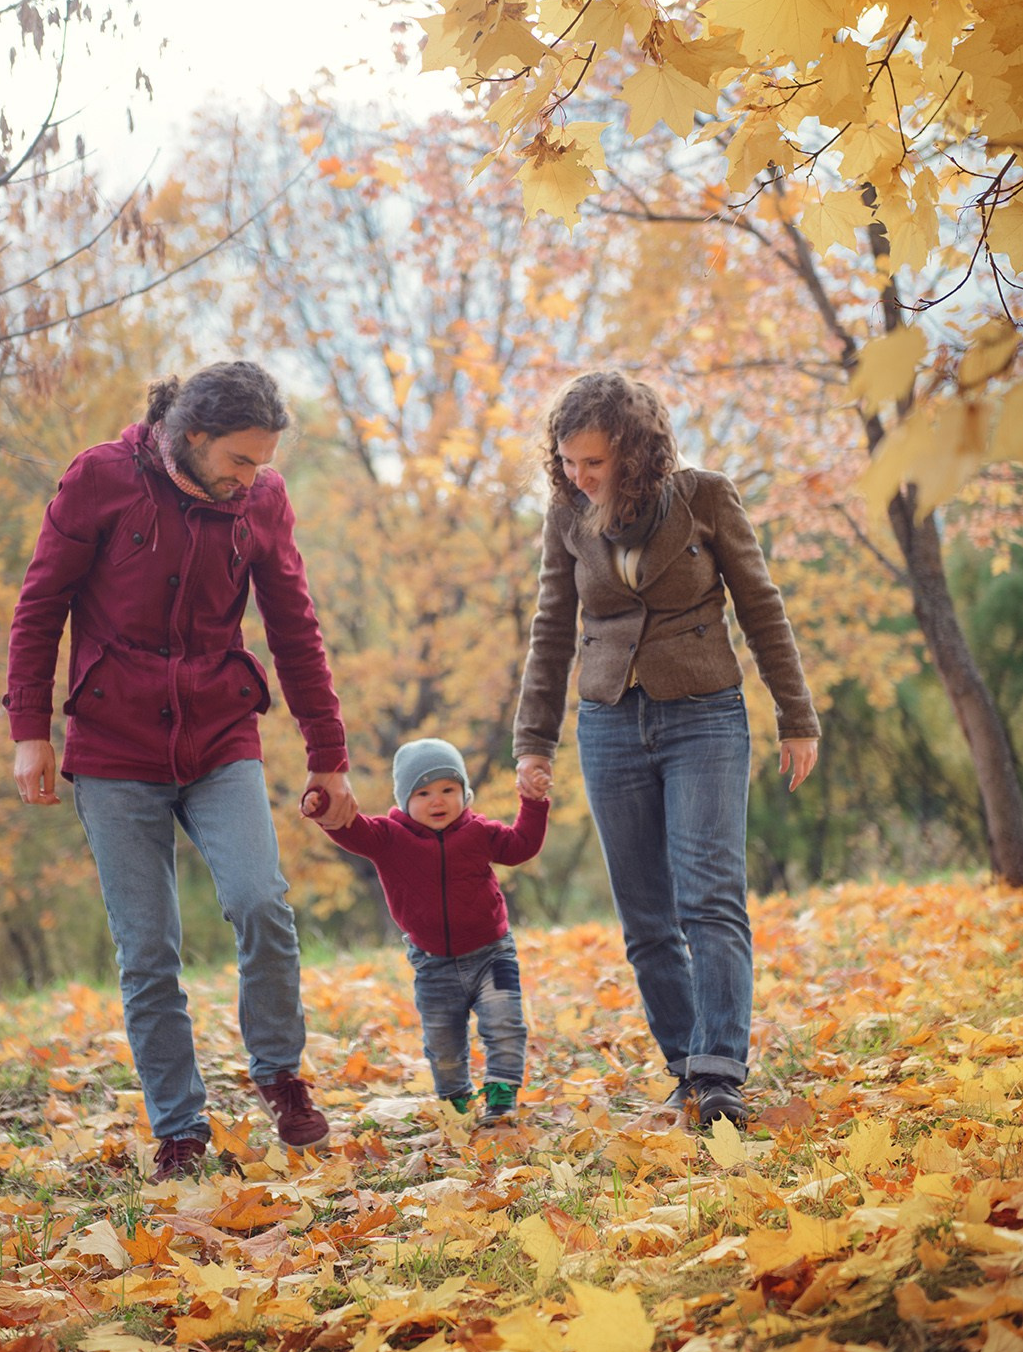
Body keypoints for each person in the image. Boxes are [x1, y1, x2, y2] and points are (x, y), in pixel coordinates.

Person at [5, 360, 358, 1181]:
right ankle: (180, 1129)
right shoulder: (100, 479)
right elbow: (40, 604)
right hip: (113, 747)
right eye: (240, 459)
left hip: (218, 735)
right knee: (148, 948)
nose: (253, 477)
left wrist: (327, 754)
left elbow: (294, 627)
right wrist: (30, 730)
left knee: (260, 902)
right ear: (190, 437)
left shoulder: (260, 502)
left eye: (264, 462)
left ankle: (278, 1075)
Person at [513, 370, 819, 1129]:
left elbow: (759, 603)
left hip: (703, 715)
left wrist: (796, 714)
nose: (579, 477)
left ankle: (721, 1073)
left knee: (708, 897)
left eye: (594, 462)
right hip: (608, 722)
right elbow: (551, 628)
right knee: (645, 917)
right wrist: (532, 738)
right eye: (567, 462)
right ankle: (685, 1069)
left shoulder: (703, 496)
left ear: (632, 450)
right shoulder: (564, 515)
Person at [302, 738, 548, 1124]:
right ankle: (456, 1103)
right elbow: (349, 830)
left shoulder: (479, 832)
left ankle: (501, 1097)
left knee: (505, 1023)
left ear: (464, 793)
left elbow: (522, 847)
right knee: (443, 1043)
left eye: (449, 789)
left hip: (492, 953)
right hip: (433, 964)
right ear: (404, 799)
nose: (438, 801)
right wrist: (323, 805)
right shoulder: (387, 837)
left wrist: (534, 803)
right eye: (424, 792)